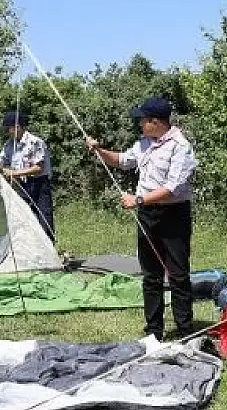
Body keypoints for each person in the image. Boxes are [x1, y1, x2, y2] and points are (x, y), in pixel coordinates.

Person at [85, 97, 198, 340]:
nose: (140, 124)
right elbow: (123, 161)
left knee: (177, 274)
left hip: (173, 214)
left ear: (155, 122)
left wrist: (137, 200)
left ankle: (185, 329)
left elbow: (173, 187)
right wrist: (99, 151)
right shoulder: (145, 143)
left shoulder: (180, 147)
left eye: (142, 120)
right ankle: (154, 330)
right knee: (151, 274)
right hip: (148, 215)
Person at [0, 111, 55, 241]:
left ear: (17, 127)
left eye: (9, 129)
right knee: (25, 219)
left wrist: (13, 173)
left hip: (39, 184)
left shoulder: (35, 142)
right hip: (22, 186)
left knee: (44, 219)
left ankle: (51, 252)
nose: (7, 132)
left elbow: (38, 168)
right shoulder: (9, 145)